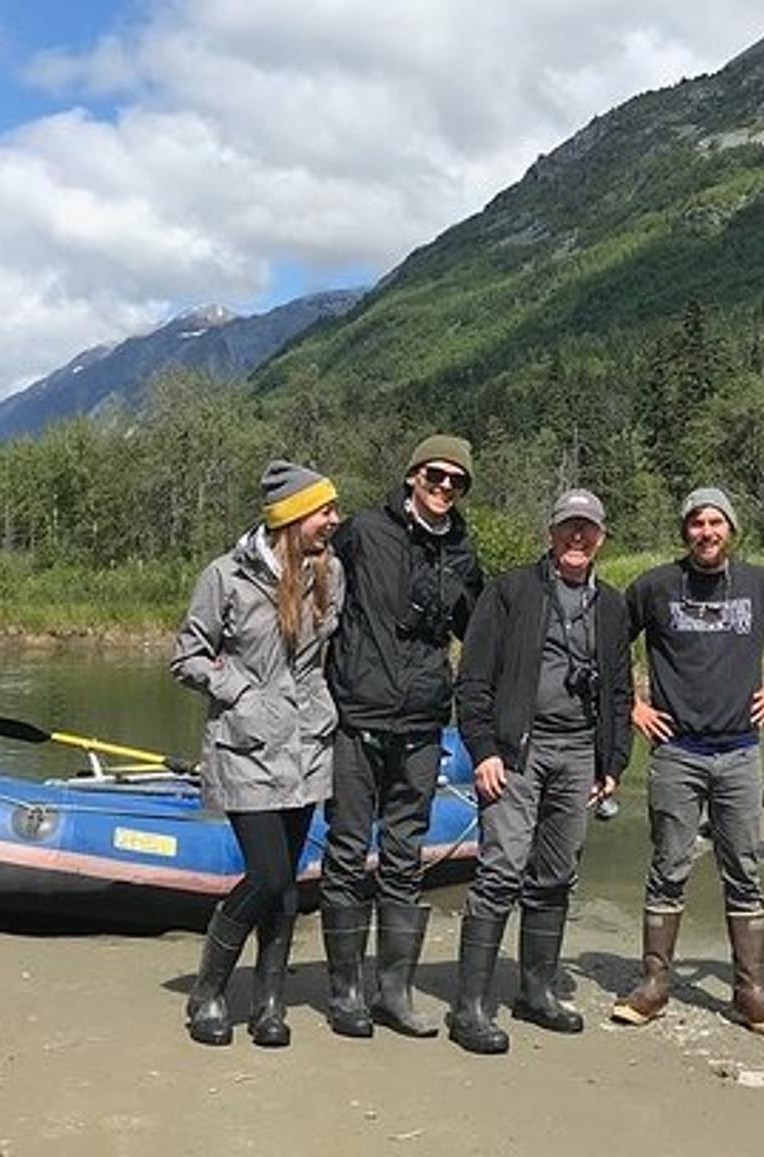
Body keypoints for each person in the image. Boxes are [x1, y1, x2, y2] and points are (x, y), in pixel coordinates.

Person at [612, 486, 764, 1035]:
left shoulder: (762, 584)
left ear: (731, 530)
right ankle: (654, 984)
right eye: (697, 523)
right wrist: (631, 705)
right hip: (676, 752)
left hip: (740, 752)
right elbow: (608, 643)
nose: (706, 531)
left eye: (715, 522)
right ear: (686, 532)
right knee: (668, 866)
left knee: (744, 869)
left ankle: (750, 990)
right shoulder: (655, 586)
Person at [444, 489, 635, 1055]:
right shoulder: (510, 592)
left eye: (588, 529)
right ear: (551, 533)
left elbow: (621, 691)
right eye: (568, 528)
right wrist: (483, 750)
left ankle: (536, 991)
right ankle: (470, 1007)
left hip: (579, 755)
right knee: (500, 871)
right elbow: (473, 679)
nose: (578, 538)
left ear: (601, 537)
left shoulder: (613, 605)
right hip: (516, 752)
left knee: (556, 874)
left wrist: (613, 761)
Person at [168, 460, 344, 1049]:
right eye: (325, 510)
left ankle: (270, 1002)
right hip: (246, 748)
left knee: (288, 883)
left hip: (306, 746)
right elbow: (188, 657)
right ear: (292, 517)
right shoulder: (225, 576)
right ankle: (209, 991)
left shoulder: (330, 573)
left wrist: (325, 710)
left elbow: (323, 657)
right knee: (266, 876)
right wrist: (243, 693)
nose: (334, 521)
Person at [319, 435, 484, 1039]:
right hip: (356, 718)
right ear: (413, 476)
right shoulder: (362, 531)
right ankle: (345, 995)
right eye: (435, 477)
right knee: (344, 851)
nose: (444, 489)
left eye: (455, 483)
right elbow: (312, 588)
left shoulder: (463, 552)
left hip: (420, 725)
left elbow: (481, 634)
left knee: (404, 858)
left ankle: (394, 991)